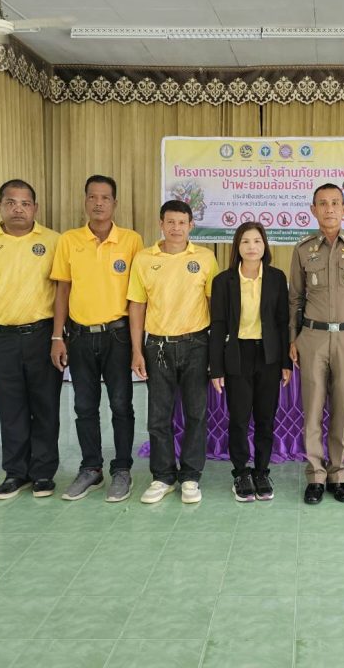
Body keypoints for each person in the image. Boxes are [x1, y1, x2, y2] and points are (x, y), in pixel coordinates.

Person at [0, 179, 63, 499]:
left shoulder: (53, 241)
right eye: (11, 203)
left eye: (25, 203)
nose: (18, 209)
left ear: (35, 207)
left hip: (43, 335)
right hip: (1, 339)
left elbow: (64, 291)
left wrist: (59, 336)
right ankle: (15, 472)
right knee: (10, 408)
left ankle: (43, 473)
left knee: (46, 407)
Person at [50, 175, 143, 502]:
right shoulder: (69, 240)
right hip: (79, 336)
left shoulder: (131, 240)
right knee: (84, 405)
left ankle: (122, 469)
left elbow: (138, 296)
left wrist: (138, 345)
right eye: (92, 197)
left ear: (115, 203)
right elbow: (62, 290)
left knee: (121, 404)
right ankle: (91, 468)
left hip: (117, 336)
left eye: (105, 198)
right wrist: (57, 336)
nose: (98, 203)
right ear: (85, 201)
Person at [289, 183, 344, 505]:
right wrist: (293, 338)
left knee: (342, 408)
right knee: (312, 409)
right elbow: (295, 299)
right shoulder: (303, 249)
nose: (329, 209)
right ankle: (315, 476)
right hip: (312, 337)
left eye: (335, 203)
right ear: (313, 210)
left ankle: (338, 475)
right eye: (323, 203)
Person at [128, 200, 219, 505]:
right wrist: (136, 349)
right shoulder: (144, 259)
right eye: (170, 222)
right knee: (158, 416)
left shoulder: (205, 258)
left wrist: (216, 351)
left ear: (191, 225)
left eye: (182, 222)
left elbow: (215, 305)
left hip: (197, 345)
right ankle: (163, 476)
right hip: (158, 346)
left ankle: (191, 475)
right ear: (161, 224)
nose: (176, 228)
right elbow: (137, 305)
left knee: (196, 413)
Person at [209, 222, 292, 502]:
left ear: (265, 245)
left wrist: (285, 363)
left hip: (268, 356)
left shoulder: (276, 278)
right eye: (245, 241)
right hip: (237, 355)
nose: (252, 247)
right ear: (237, 246)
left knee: (266, 418)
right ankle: (241, 472)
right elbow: (218, 325)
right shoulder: (224, 281)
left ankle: (261, 471)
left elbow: (282, 322)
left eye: (257, 241)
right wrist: (216, 367)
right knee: (239, 418)